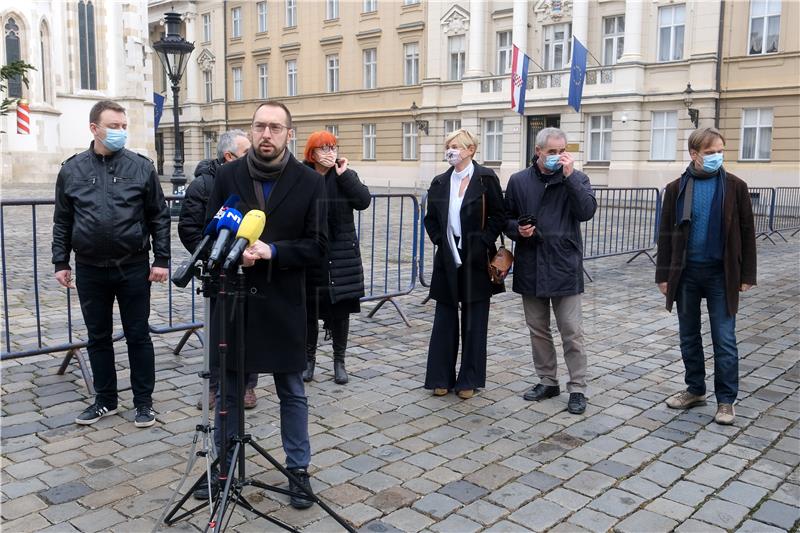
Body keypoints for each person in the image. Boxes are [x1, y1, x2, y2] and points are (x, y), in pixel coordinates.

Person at [203, 101, 326, 508]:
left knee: (291, 390)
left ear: (289, 133)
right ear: (251, 131)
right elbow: (210, 230)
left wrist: (273, 250)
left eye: (275, 127)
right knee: (231, 391)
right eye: (260, 126)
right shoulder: (228, 176)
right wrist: (231, 253)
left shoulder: (309, 182)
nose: (266, 134)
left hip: (284, 301)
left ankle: (298, 470)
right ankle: (224, 467)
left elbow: (318, 246)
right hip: (235, 300)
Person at [52, 99, 170, 428]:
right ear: (94, 128)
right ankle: (105, 400)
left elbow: (159, 216)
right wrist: (60, 261)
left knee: (138, 335)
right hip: (90, 268)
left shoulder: (141, 167)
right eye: (113, 126)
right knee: (97, 337)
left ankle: (143, 402)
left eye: (123, 126)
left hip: (132, 266)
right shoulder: (72, 169)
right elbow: (62, 220)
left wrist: (161, 258)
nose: (120, 132)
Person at [656, 127, 756, 425]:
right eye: (710, 152)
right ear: (694, 154)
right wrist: (664, 275)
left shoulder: (736, 187)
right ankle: (695, 389)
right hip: (685, 274)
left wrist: (747, 274)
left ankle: (726, 400)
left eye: (720, 152)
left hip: (720, 274)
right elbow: (665, 235)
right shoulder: (676, 188)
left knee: (724, 338)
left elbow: (747, 233)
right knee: (689, 336)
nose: (717, 157)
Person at [504, 127, 596, 415]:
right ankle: (547, 379)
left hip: (564, 263)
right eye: (552, 152)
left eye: (562, 151)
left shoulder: (578, 178)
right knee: (538, 329)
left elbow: (586, 211)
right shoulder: (519, 181)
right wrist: (517, 230)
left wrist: (570, 179)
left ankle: (578, 387)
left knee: (571, 331)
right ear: (538, 151)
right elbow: (504, 218)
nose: (558, 157)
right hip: (531, 262)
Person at [178, 129, 260, 411]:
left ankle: (249, 385)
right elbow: (189, 229)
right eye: (246, 151)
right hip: (217, 271)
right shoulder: (203, 185)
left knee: (250, 329)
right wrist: (213, 257)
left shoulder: (255, 180)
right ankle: (212, 386)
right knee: (217, 332)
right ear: (229, 156)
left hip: (250, 268)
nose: (253, 156)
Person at [422, 129, 506, 400]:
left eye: (456, 146)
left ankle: (469, 378)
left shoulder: (485, 178)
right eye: (448, 145)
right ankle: (440, 376)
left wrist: (482, 241)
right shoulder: (439, 181)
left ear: (470, 149)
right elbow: (431, 219)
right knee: (444, 320)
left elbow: (498, 215)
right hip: (447, 257)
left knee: (474, 321)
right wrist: (439, 239)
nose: (451, 150)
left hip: (477, 258)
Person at [302, 131, 371, 384]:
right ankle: (308, 360)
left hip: (341, 256)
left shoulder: (344, 176)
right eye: (324, 148)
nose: (331, 152)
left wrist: (346, 177)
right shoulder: (302, 176)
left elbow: (363, 201)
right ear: (312, 152)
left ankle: (339, 361)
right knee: (309, 310)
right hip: (312, 255)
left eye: (333, 147)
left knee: (340, 311)